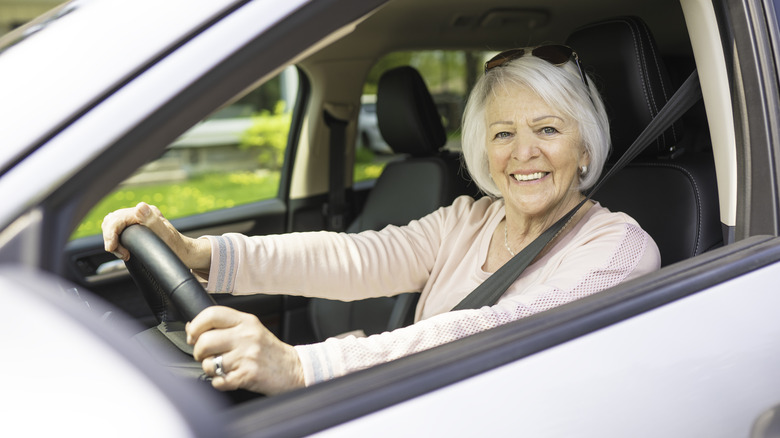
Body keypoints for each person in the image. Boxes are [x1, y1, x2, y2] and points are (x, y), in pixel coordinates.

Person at [102, 45, 661, 396]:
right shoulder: (469, 219)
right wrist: (203, 255)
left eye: (547, 129)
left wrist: (301, 366)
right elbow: (356, 257)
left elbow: (495, 331)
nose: (523, 153)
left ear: (585, 148)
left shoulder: (618, 249)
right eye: (503, 134)